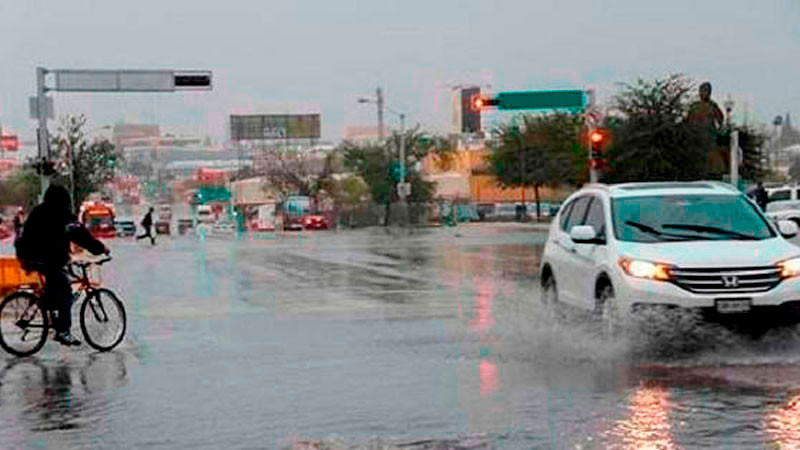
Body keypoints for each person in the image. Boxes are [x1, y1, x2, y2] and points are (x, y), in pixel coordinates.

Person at [15, 185, 109, 346]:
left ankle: (47, 308)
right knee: (65, 290)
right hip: (46, 259)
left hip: (30, 257)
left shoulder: (38, 211)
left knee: (55, 286)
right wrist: (100, 248)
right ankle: (63, 331)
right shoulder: (62, 214)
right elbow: (80, 236)